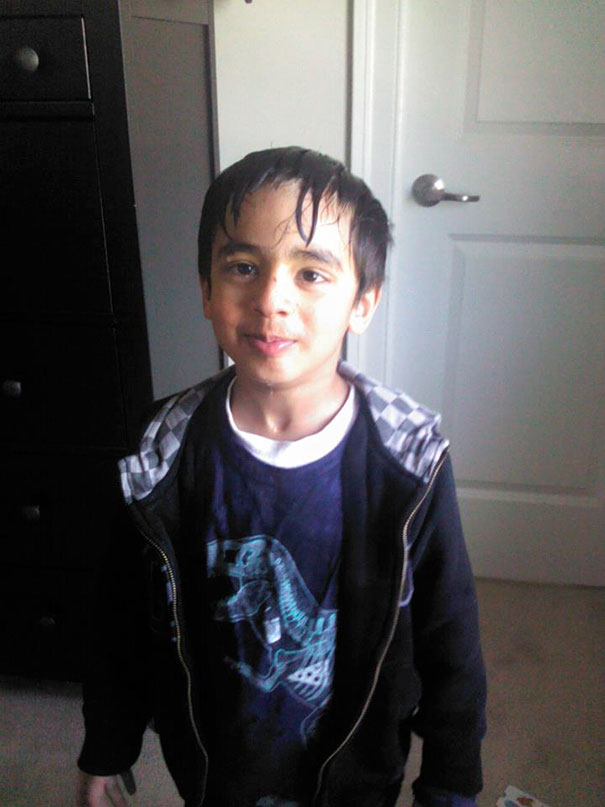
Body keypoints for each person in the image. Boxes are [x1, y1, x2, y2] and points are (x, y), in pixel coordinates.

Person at [76, 146, 486, 807]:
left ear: (364, 301)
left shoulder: (409, 460)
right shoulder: (161, 454)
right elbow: (119, 621)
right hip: (213, 765)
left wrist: (449, 784)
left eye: (312, 274)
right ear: (207, 290)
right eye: (242, 267)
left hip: (357, 767)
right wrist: (107, 748)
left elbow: (450, 641)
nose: (271, 299)